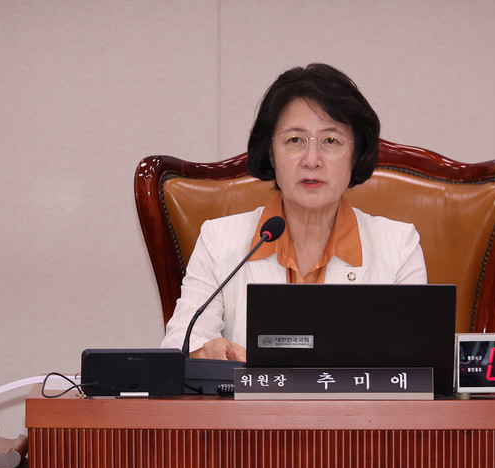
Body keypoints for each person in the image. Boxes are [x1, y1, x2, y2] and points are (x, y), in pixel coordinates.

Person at [161, 63, 427, 361]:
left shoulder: (399, 247)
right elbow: (179, 344)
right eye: (294, 140)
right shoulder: (218, 240)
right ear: (270, 154)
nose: (311, 160)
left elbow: (419, 363)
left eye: (331, 141)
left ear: (356, 155)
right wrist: (202, 353)